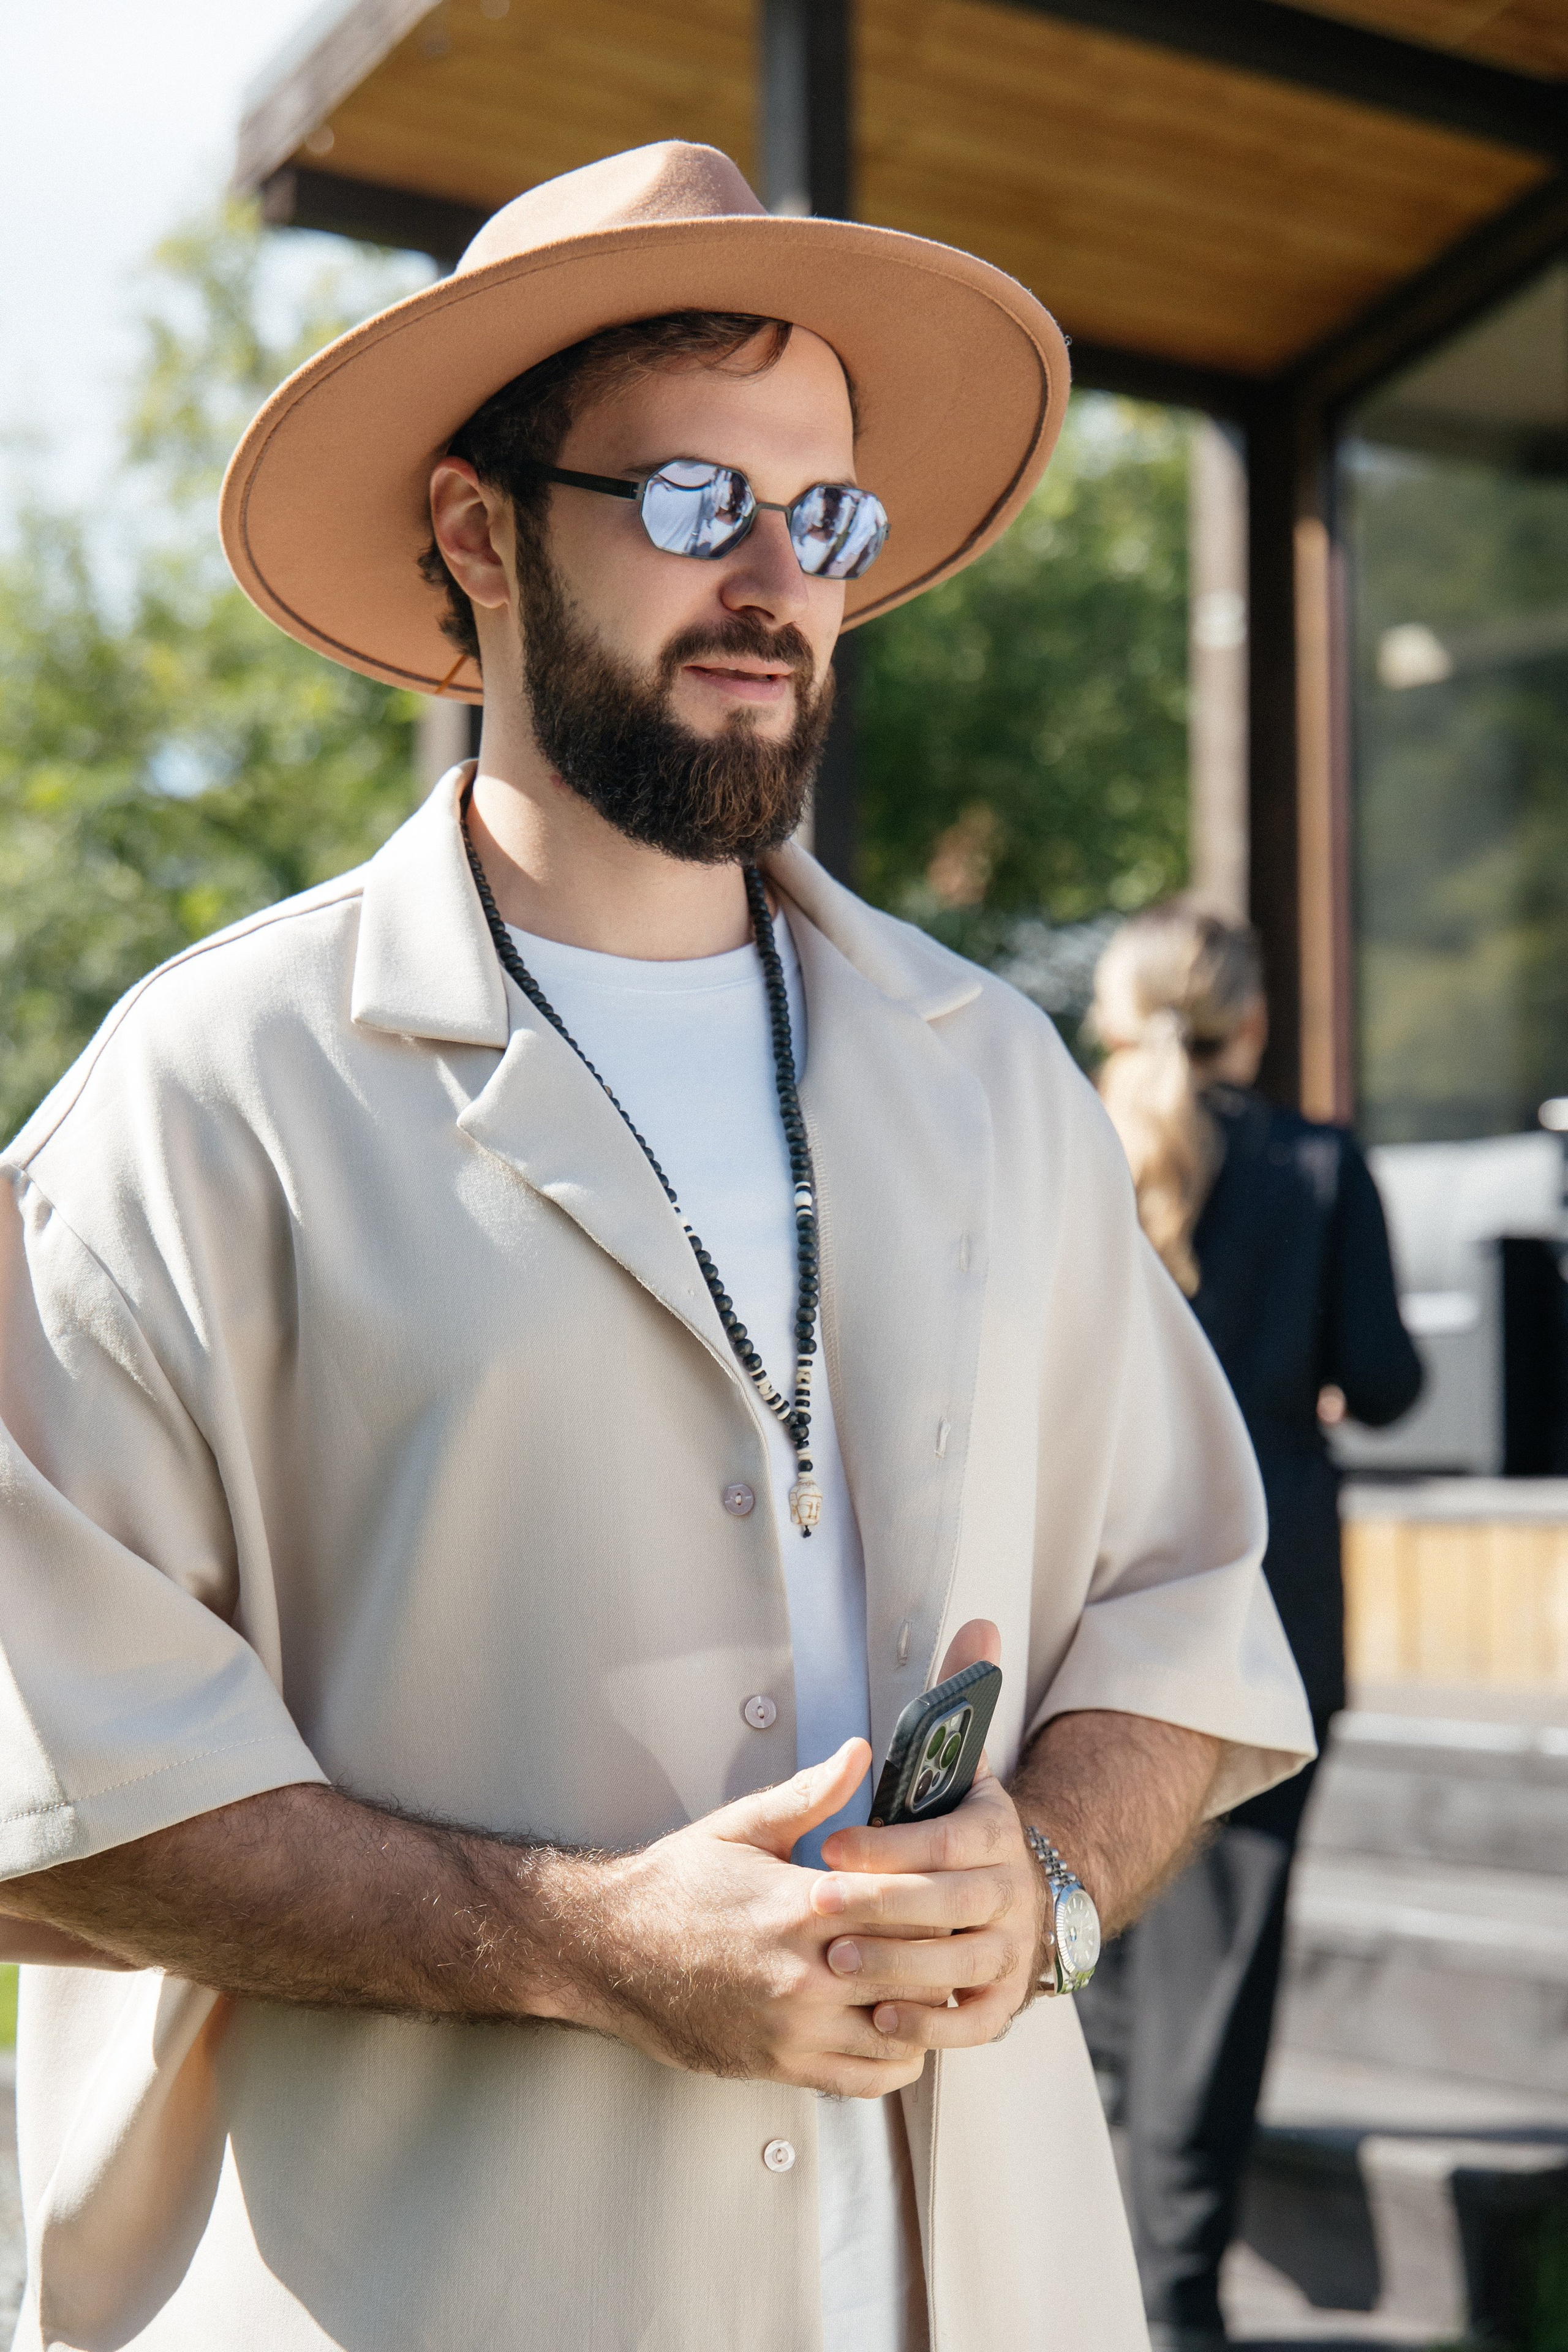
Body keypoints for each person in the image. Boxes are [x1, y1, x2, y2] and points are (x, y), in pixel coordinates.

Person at [0, 145, 1313, 2352]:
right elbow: (41, 1791)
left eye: (828, 519)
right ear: (477, 529)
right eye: (698, 503)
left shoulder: (995, 1076)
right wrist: (572, 1937)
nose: (780, 581)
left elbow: (1179, 1616)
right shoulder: (205, 1088)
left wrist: (1055, 1878)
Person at [1080, 899, 1422, 2351]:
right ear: (1253, 1017)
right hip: (1267, 1618)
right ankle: (1173, 2303)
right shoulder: (1315, 1167)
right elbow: (1390, 1379)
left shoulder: (1065, 1149)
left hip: (1080, 1600)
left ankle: (1086, 2275)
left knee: (1080, 1947)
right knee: (1218, 1973)